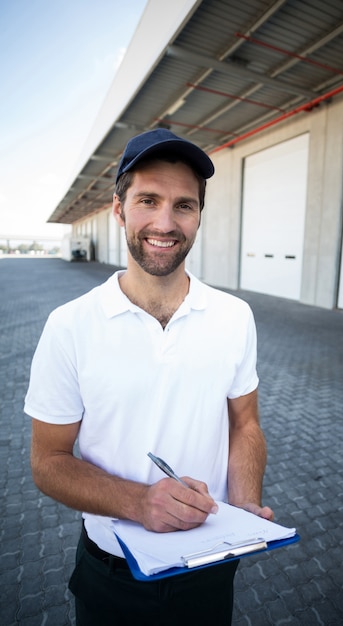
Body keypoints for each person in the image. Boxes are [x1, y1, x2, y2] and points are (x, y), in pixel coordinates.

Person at [25, 128, 274, 626]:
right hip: (112, 574)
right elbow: (48, 461)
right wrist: (139, 502)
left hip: (209, 563)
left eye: (184, 205)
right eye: (147, 200)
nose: (166, 222)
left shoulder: (233, 316)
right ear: (118, 209)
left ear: (199, 216)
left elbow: (245, 424)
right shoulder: (70, 325)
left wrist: (244, 505)